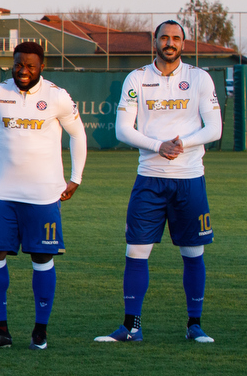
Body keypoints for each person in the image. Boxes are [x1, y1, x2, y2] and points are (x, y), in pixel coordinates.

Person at [95, 20, 222, 344]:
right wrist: (157, 146)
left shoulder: (199, 78)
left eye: (176, 38)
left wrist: (183, 144)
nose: (170, 42)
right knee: (136, 251)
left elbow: (214, 128)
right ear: (155, 41)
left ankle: (195, 325)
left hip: (190, 179)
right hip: (150, 179)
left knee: (193, 252)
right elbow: (123, 129)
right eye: (164, 37)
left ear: (184, 43)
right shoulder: (137, 78)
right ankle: (131, 327)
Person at [0, 41, 87, 350]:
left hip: (43, 194)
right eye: (18, 65)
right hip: (3, 192)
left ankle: (40, 331)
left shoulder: (57, 97)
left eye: (30, 66)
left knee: (41, 258)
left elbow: (78, 134)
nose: (23, 71)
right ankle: (0, 331)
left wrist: (75, 178)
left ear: (42, 67)